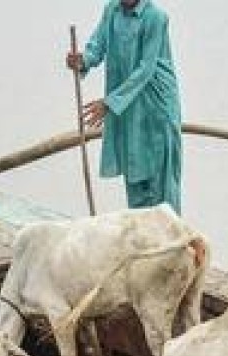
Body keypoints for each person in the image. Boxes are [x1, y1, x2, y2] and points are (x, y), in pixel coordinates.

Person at [65, 0, 183, 212]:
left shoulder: (156, 18)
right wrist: (82, 60)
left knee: (160, 182)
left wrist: (109, 103)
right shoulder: (112, 10)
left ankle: (170, 238)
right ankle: (140, 236)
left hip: (156, 103)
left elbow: (146, 69)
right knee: (134, 165)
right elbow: (97, 46)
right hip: (127, 103)